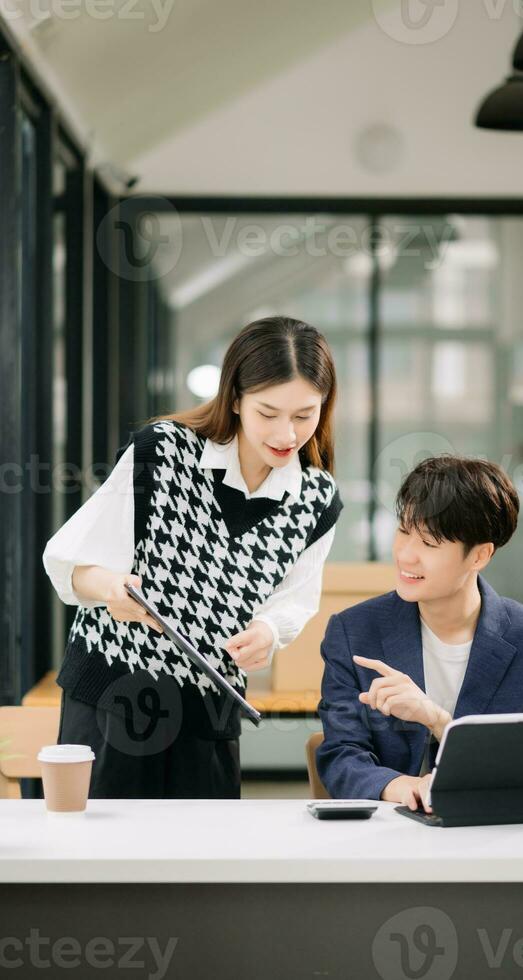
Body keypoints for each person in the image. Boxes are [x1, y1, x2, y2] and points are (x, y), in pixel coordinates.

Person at [43, 316, 343, 799]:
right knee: (99, 862)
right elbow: (67, 560)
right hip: (115, 693)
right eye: (268, 413)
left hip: (211, 708)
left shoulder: (316, 498)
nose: (287, 433)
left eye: (304, 415)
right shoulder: (163, 453)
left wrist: (268, 631)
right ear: (236, 399)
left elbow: (296, 599)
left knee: (205, 864)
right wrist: (110, 590)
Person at [316, 455, 523, 813]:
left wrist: (438, 721)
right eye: (404, 532)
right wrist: (401, 786)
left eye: (429, 543)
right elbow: (340, 756)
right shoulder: (354, 633)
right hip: (387, 843)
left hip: (496, 837)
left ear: (480, 555)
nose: (406, 556)